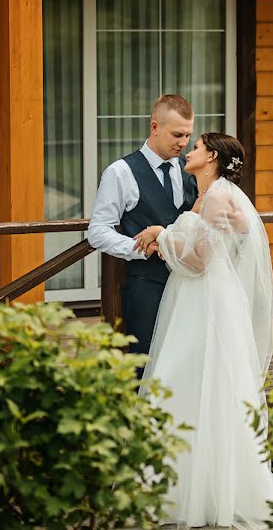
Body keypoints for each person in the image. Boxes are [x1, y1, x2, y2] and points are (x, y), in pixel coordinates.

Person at [132, 133, 273, 529]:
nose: (189, 151)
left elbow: (200, 261)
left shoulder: (219, 196)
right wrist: (167, 234)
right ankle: (184, 484)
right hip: (196, 299)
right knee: (188, 380)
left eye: (197, 147)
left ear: (212, 156)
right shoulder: (210, 195)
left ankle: (209, 490)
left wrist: (160, 234)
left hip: (208, 301)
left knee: (202, 380)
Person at [87, 94, 198, 361]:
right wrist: (140, 248)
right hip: (146, 286)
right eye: (177, 135)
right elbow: (98, 231)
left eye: (188, 135)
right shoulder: (120, 172)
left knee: (185, 363)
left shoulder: (191, 169)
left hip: (190, 287)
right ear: (155, 127)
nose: (183, 143)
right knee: (145, 364)